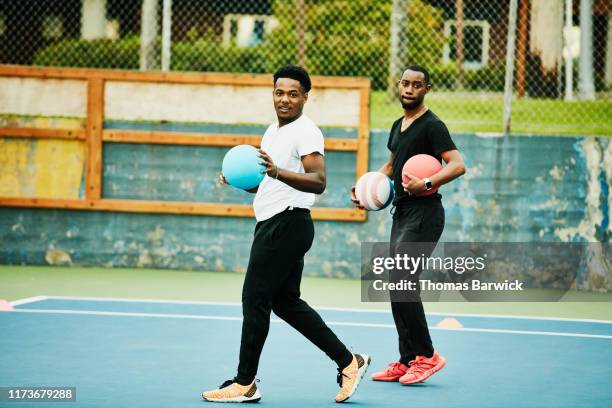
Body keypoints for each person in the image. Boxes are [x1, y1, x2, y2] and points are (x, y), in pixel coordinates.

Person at [202, 65, 370, 403]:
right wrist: (239, 179)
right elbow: (265, 185)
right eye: (279, 92)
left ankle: (244, 382)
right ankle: (349, 362)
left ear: (305, 97)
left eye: (293, 93)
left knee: (255, 298)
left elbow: (318, 181)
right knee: (286, 303)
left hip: (287, 224)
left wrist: (278, 171)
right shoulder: (272, 132)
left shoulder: (306, 132)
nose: (285, 99)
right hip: (276, 223)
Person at [351, 65, 465, 385]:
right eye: (405, 83)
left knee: (403, 277)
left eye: (417, 84)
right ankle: (407, 359)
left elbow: (457, 165)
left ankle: (427, 355)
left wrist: (427, 181)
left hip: (426, 213)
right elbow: (391, 166)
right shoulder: (396, 125)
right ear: (398, 86)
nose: (409, 89)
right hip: (402, 212)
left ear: (426, 88)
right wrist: (366, 188)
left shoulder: (433, 126)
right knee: (396, 281)